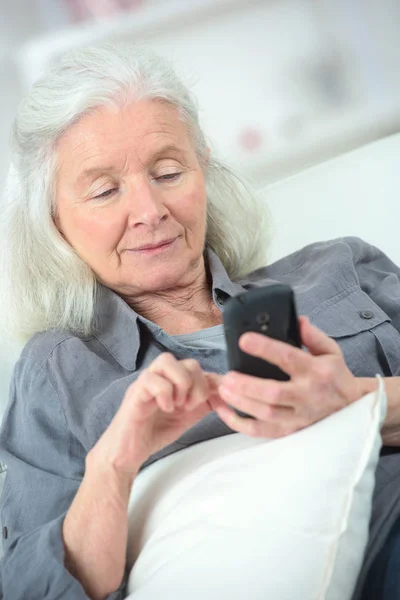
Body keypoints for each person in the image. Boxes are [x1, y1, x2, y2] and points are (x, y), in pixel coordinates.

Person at [0, 43, 400, 600]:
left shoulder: (339, 268)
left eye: (167, 172)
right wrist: (113, 464)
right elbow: (29, 589)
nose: (149, 210)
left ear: (203, 171)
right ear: (54, 221)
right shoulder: (59, 374)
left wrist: (361, 401)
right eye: (105, 190)